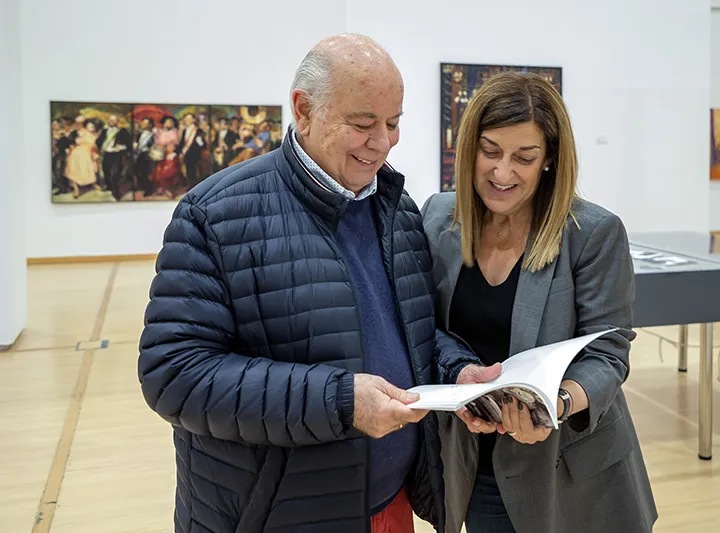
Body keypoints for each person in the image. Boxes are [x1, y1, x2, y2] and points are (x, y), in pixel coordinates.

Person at [137, 34, 483, 533]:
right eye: (364, 124)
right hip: (274, 516)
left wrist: (457, 370)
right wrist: (340, 401)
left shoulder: (399, 211)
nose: (383, 143)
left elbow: (412, 331)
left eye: (394, 123)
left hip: (391, 505)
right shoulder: (214, 214)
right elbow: (174, 374)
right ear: (304, 110)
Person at [421, 71, 658, 533]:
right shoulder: (437, 218)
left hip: (574, 476)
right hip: (476, 465)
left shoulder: (591, 233)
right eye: (489, 152)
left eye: (523, 158)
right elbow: (422, 327)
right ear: (468, 148)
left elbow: (608, 356)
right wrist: (459, 372)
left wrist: (557, 405)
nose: (502, 173)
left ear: (549, 160)